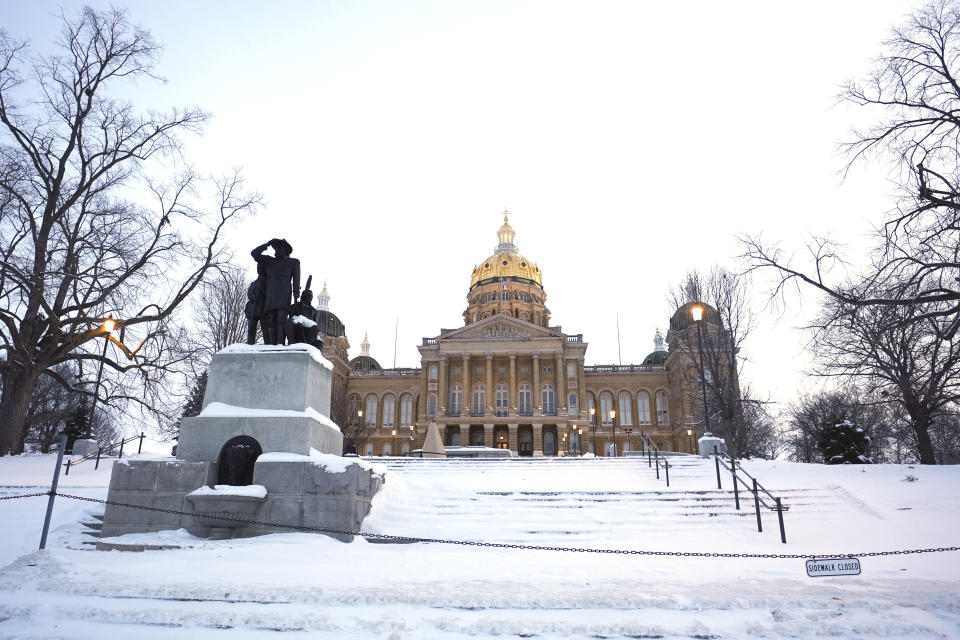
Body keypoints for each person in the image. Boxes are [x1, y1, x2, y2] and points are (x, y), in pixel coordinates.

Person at [251, 238, 300, 345]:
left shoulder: (293, 262)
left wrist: (296, 296)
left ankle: (280, 343)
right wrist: (266, 245)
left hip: (284, 294)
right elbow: (254, 253)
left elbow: (296, 280)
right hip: (271, 295)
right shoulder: (269, 261)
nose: (276, 250)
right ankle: (272, 344)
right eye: (275, 248)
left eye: (279, 248)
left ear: (285, 249)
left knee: (281, 319)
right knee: (271, 320)